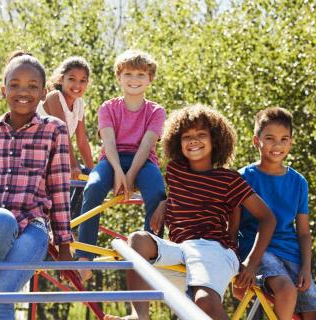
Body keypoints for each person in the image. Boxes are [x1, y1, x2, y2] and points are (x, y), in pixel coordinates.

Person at [105, 105, 276, 320]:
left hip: (213, 248)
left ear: (215, 139)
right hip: (180, 248)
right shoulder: (175, 171)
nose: (193, 140)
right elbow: (185, 196)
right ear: (178, 142)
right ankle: (140, 316)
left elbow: (267, 218)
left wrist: (251, 264)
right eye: (186, 136)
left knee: (204, 302)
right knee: (137, 240)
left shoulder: (229, 179)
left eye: (201, 135)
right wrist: (164, 204)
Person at [0, 53, 73, 320]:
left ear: (44, 92)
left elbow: (59, 188)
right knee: (1, 220)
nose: (23, 92)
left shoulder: (54, 130)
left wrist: (64, 245)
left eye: (32, 86)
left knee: (0, 294)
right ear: (3, 90)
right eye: (15, 85)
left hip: (31, 225)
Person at [75, 50, 166, 281]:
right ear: (119, 77)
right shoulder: (108, 107)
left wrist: (130, 175)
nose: (134, 79)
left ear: (150, 79)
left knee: (156, 190)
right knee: (93, 187)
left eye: (140, 74)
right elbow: (108, 143)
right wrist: (118, 172)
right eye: (128, 74)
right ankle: (85, 254)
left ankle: (153, 251)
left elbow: (146, 147)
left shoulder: (155, 111)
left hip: (143, 162)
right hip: (112, 159)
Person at [234, 107, 316, 319]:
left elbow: (304, 233)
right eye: (269, 138)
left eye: (284, 139)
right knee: (286, 291)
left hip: (292, 253)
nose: (277, 145)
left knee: (311, 308)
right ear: (256, 141)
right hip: (258, 252)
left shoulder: (298, 182)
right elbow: (232, 228)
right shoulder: (243, 178)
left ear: (291, 142)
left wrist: (307, 269)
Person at [37, 56, 94, 216]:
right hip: (40, 156)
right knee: (73, 174)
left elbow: (82, 141)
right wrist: (73, 164)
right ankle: (60, 223)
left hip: (58, 158)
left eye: (83, 81)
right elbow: (62, 134)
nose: (77, 85)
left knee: (90, 179)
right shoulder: (55, 97)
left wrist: (94, 171)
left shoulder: (79, 103)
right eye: (72, 79)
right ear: (61, 79)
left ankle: (71, 225)